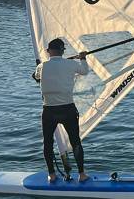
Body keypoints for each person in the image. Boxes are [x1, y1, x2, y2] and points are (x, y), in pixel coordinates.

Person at [34, 38, 89, 183]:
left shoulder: (42, 66)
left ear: (48, 51)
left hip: (49, 111)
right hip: (68, 110)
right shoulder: (71, 64)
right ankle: (82, 174)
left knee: (47, 143)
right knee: (75, 142)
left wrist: (38, 70)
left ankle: (51, 175)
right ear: (63, 51)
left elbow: (36, 77)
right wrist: (82, 58)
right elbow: (85, 71)